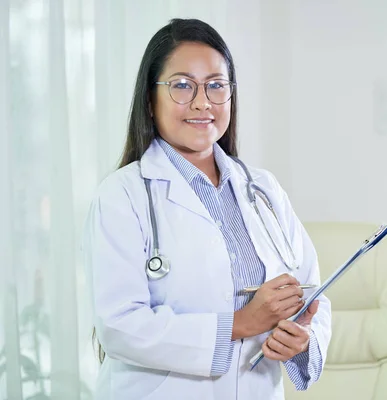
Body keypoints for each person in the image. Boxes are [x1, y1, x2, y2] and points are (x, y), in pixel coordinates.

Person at [81, 18, 331, 400]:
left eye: (216, 86)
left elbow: (314, 292)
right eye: (182, 85)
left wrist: (301, 337)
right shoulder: (122, 195)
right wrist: (241, 323)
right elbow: (120, 326)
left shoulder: (262, 189)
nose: (202, 102)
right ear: (150, 99)